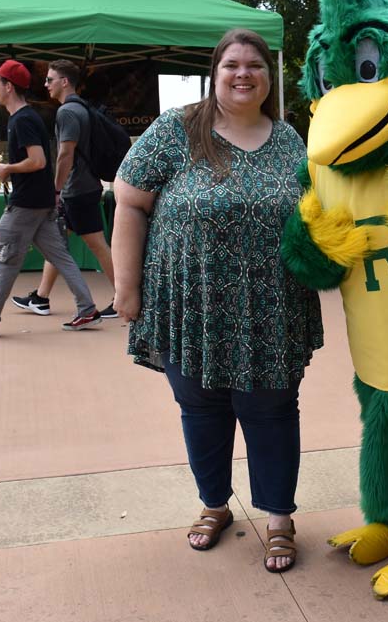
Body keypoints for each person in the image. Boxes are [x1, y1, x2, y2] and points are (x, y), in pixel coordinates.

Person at [111, 29, 323, 573]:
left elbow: (313, 215)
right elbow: (130, 203)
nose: (243, 73)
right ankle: (214, 505)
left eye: (254, 65)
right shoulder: (179, 128)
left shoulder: (290, 139)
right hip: (190, 303)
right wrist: (126, 287)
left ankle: (278, 517)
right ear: (215, 72)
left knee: (271, 409)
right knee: (201, 409)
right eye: (232, 64)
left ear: (268, 78)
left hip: (270, 304)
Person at [0, 59, 103, 337]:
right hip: (40, 201)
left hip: (26, 204)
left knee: (6, 260)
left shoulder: (22, 120)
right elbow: (37, 162)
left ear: (9, 87)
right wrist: (10, 170)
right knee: (61, 257)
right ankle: (87, 310)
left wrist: (8, 168)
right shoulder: (26, 118)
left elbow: (37, 161)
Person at [11, 60, 116, 319]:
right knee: (56, 244)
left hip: (78, 190)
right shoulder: (80, 108)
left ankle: (123, 296)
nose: (45, 84)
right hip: (81, 188)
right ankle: (41, 297)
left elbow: (65, 155)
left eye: (50, 79)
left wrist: (56, 189)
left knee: (97, 245)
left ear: (64, 82)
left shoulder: (67, 112)